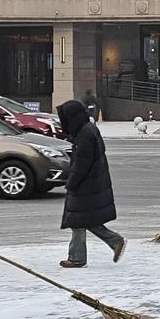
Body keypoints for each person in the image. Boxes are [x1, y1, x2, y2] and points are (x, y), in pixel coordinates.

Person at [56, 100, 125, 267]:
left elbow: (81, 164)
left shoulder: (85, 135)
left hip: (86, 186)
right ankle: (115, 241)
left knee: (77, 221)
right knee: (87, 220)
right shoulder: (87, 129)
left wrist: (71, 183)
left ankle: (77, 258)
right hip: (92, 184)